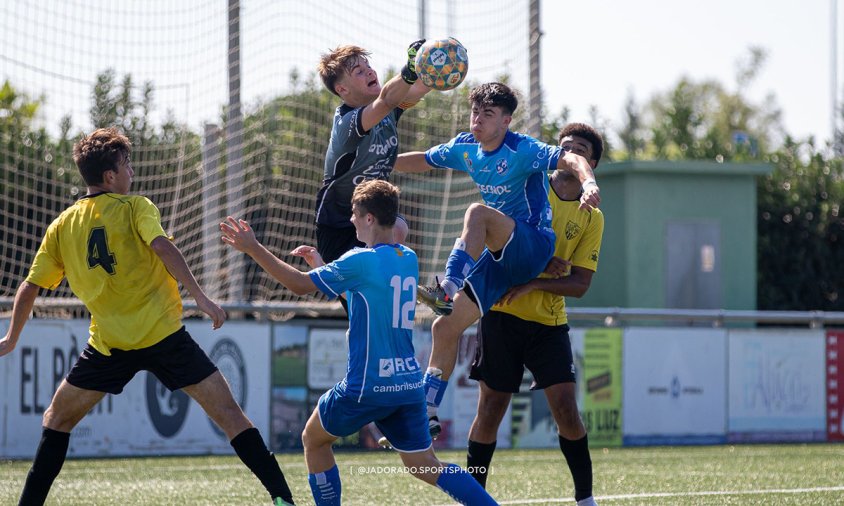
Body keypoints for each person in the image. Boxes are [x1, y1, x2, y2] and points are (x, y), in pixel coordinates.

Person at [0, 128, 295, 506]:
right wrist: (201, 298)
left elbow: (30, 285)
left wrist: (11, 337)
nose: (132, 172)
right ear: (110, 176)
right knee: (230, 416)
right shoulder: (136, 207)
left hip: (108, 346)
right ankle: (283, 499)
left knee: (56, 420)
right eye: (126, 165)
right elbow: (161, 246)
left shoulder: (62, 225)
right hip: (165, 338)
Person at [221, 180, 497, 506]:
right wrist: (323, 268)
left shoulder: (359, 260)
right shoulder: (406, 258)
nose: (351, 220)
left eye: (355, 214)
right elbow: (362, 296)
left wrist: (253, 247)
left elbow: (298, 285)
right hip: (407, 385)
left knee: (314, 440)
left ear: (369, 219)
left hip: (367, 386)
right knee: (425, 465)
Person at [393, 82, 601, 438]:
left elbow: (572, 158)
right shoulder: (466, 148)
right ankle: (426, 412)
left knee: (477, 212)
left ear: (506, 120)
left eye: (487, 114)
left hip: (534, 244)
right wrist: (375, 165)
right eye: (475, 112)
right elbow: (425, 159)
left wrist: (589, 182)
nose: (478, 119)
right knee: (444, 327)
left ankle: (447, 285)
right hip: (502, 255)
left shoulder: (522, 149)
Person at [466, 123, 605, 506]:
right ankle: (474, 498)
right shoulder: (528, 187)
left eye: (578, 148)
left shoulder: (593, 218)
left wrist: (534, 283)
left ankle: (585, 499)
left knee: (566, 408)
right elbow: (499, 246)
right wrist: (543, 264)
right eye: (564, 146)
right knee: (491, 409)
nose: (568, 152)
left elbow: (580, 283)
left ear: (589, 162)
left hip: (548, 323)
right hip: (501, 312)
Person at [314, 41, 430, 266]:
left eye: (368, 65)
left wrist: (434, 63)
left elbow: (419, 87)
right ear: (343, 90)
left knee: (397, 227)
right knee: (352, 297)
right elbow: (387, 100)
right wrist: (409, 70)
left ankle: (390, 277)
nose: (369, 70)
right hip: (339, 224)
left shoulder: (389, 110)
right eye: (359, 71)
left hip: (374, 214)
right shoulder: (346, 124)